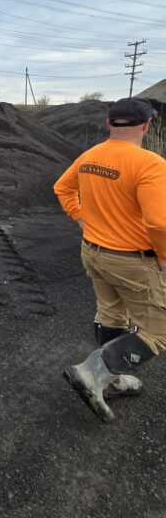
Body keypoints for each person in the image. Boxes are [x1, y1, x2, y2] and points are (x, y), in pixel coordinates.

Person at [54, 97, 166, 423]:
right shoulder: (150, 164)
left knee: (112, 313)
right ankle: (93, 371)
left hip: (93, 252)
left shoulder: (89, 157)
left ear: (109, 124)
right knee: (158, 332)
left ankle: (112, 379)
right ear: (146, 125)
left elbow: (62, 187)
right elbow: (159, 223)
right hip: (132, 261)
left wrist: (80, 219)